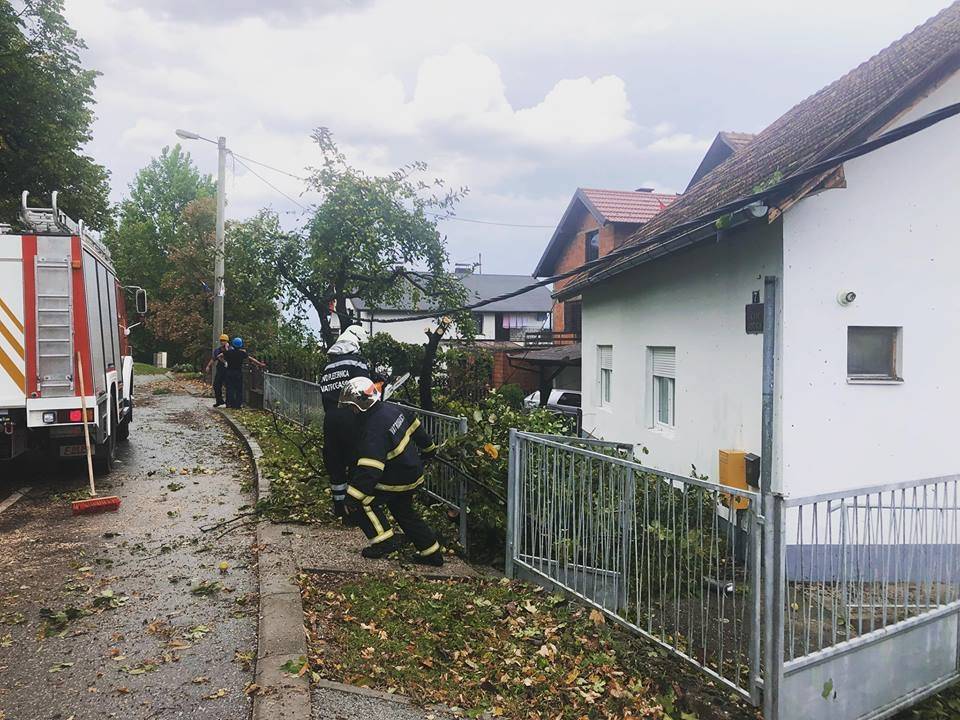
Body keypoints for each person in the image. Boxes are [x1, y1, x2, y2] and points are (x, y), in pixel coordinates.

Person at [338, 376, 442, 566]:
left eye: (351, 406)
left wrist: (351, 497)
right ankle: (432, 553)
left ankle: (383, 543)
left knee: (361, 502)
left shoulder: (373, 429)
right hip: (413, 471)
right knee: (404, 511)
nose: (351, 411)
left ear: (361, 405)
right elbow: (416, 428)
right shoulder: (393, 409)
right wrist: (429, 450)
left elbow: (370, 469)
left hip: (397, 477)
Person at [319, 324, 376, 516]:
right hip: (351, 417)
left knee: (335, 463)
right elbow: (365, 391)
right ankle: (354, 511)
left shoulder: (328, 368)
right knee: (355, 461)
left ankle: (338, 508)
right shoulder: (356, 363)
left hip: (331, 419)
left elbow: (325, 395)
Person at [222, 337, 267, 409]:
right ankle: (237, 405)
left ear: (233, 344)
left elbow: (220, 356)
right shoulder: (242, 353)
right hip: (238, 372)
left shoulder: (228, 352)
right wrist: (260, 364)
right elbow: (250, 358)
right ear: (240, 345)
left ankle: (229, 404)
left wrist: (225, 360)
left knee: (230, 388)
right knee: (238, 389)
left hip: (229, 372)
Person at [204, 334, 230, 407]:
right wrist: (208, 366)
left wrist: (227, 348)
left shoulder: (230, 349)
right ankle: (219, 400)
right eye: (221, 340)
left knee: (228, 386)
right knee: (216, 385)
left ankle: (228, 402)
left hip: (228, 370)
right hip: (220, 370)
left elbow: (230, 355)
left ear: (227, 341)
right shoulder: (218, 350)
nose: (222, 342)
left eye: (224, 341)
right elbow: (213, 358)